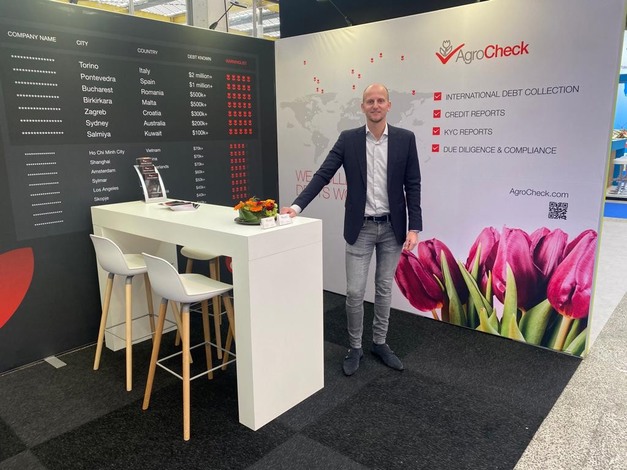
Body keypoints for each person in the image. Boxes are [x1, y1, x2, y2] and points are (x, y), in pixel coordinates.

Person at [281, 83, 422, 376]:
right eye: (370, 101)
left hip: (393, 229)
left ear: (389, 105)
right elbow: (323, 174)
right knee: (355, 292)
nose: (375, 105)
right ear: (362, 106)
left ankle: (379, 343)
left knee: (384, 289)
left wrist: (415, 227)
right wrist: (296, 207)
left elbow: (413, 185)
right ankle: (355, 347)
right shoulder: (349, 139)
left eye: (380, 100)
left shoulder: (405, 139)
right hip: (361, 228)